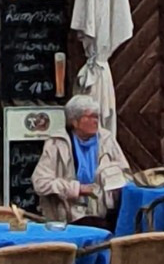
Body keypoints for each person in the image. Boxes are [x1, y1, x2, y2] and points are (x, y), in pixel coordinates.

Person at [30, 94, 130, 222]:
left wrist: (114, 183)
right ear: (75, 121)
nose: (96, 121)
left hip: (105, 212)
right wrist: (77, 189)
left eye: (97, 116)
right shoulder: (57, 143)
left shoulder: (106, 139)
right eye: (90, 116)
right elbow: (40, 182)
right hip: (70, 215)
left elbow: (126, 174)